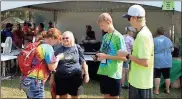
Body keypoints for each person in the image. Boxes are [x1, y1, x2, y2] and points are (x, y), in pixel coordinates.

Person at [118, 5, 154, 99]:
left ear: (134, 18)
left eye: (129, 18)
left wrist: (127, 55)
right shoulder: (143, 33)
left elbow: (145, 62)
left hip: (140, 84)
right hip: (139, 81)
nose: (129, 21)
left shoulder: (143, 35)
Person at [21, 28, 63, 99]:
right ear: (52, 38)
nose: (56, 44)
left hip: (26, 80)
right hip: (35, 81)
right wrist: (58, 58)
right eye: (57, 41)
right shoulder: (48, 47)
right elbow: (52, 67)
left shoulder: (37, 44)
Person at [49, 31, 90, 99]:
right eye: (63, 38)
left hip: (75, 76)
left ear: (72, 38)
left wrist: (86, 74)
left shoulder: (77, 48)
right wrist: (52, 77)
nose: (65, 39)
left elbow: (83, 62)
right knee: (62, 96)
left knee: (75, 96)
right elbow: (54, 65)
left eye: (67, 38)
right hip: (61, 77)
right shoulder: (58, 49)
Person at [96, 13, 126, 99]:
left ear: (108, 22)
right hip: (104, 71)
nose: (101, 28)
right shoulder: (105, 36)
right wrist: (98, 56)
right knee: (106, 95)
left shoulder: (118, 37)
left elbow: (124, 58)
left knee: (114, 96)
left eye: (102, 25)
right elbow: (103, 51)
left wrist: (106, 56)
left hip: (114, 73)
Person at [153, 27, 174, 94]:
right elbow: (172, 49)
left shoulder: (154, 40)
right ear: (164, 32)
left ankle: (156, 90)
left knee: (157, 75)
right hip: (167, 58)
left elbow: (151, 49)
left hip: (158, 58)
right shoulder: (168, 40)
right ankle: (167, 90)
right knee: (167, 76)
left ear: (157, 32)